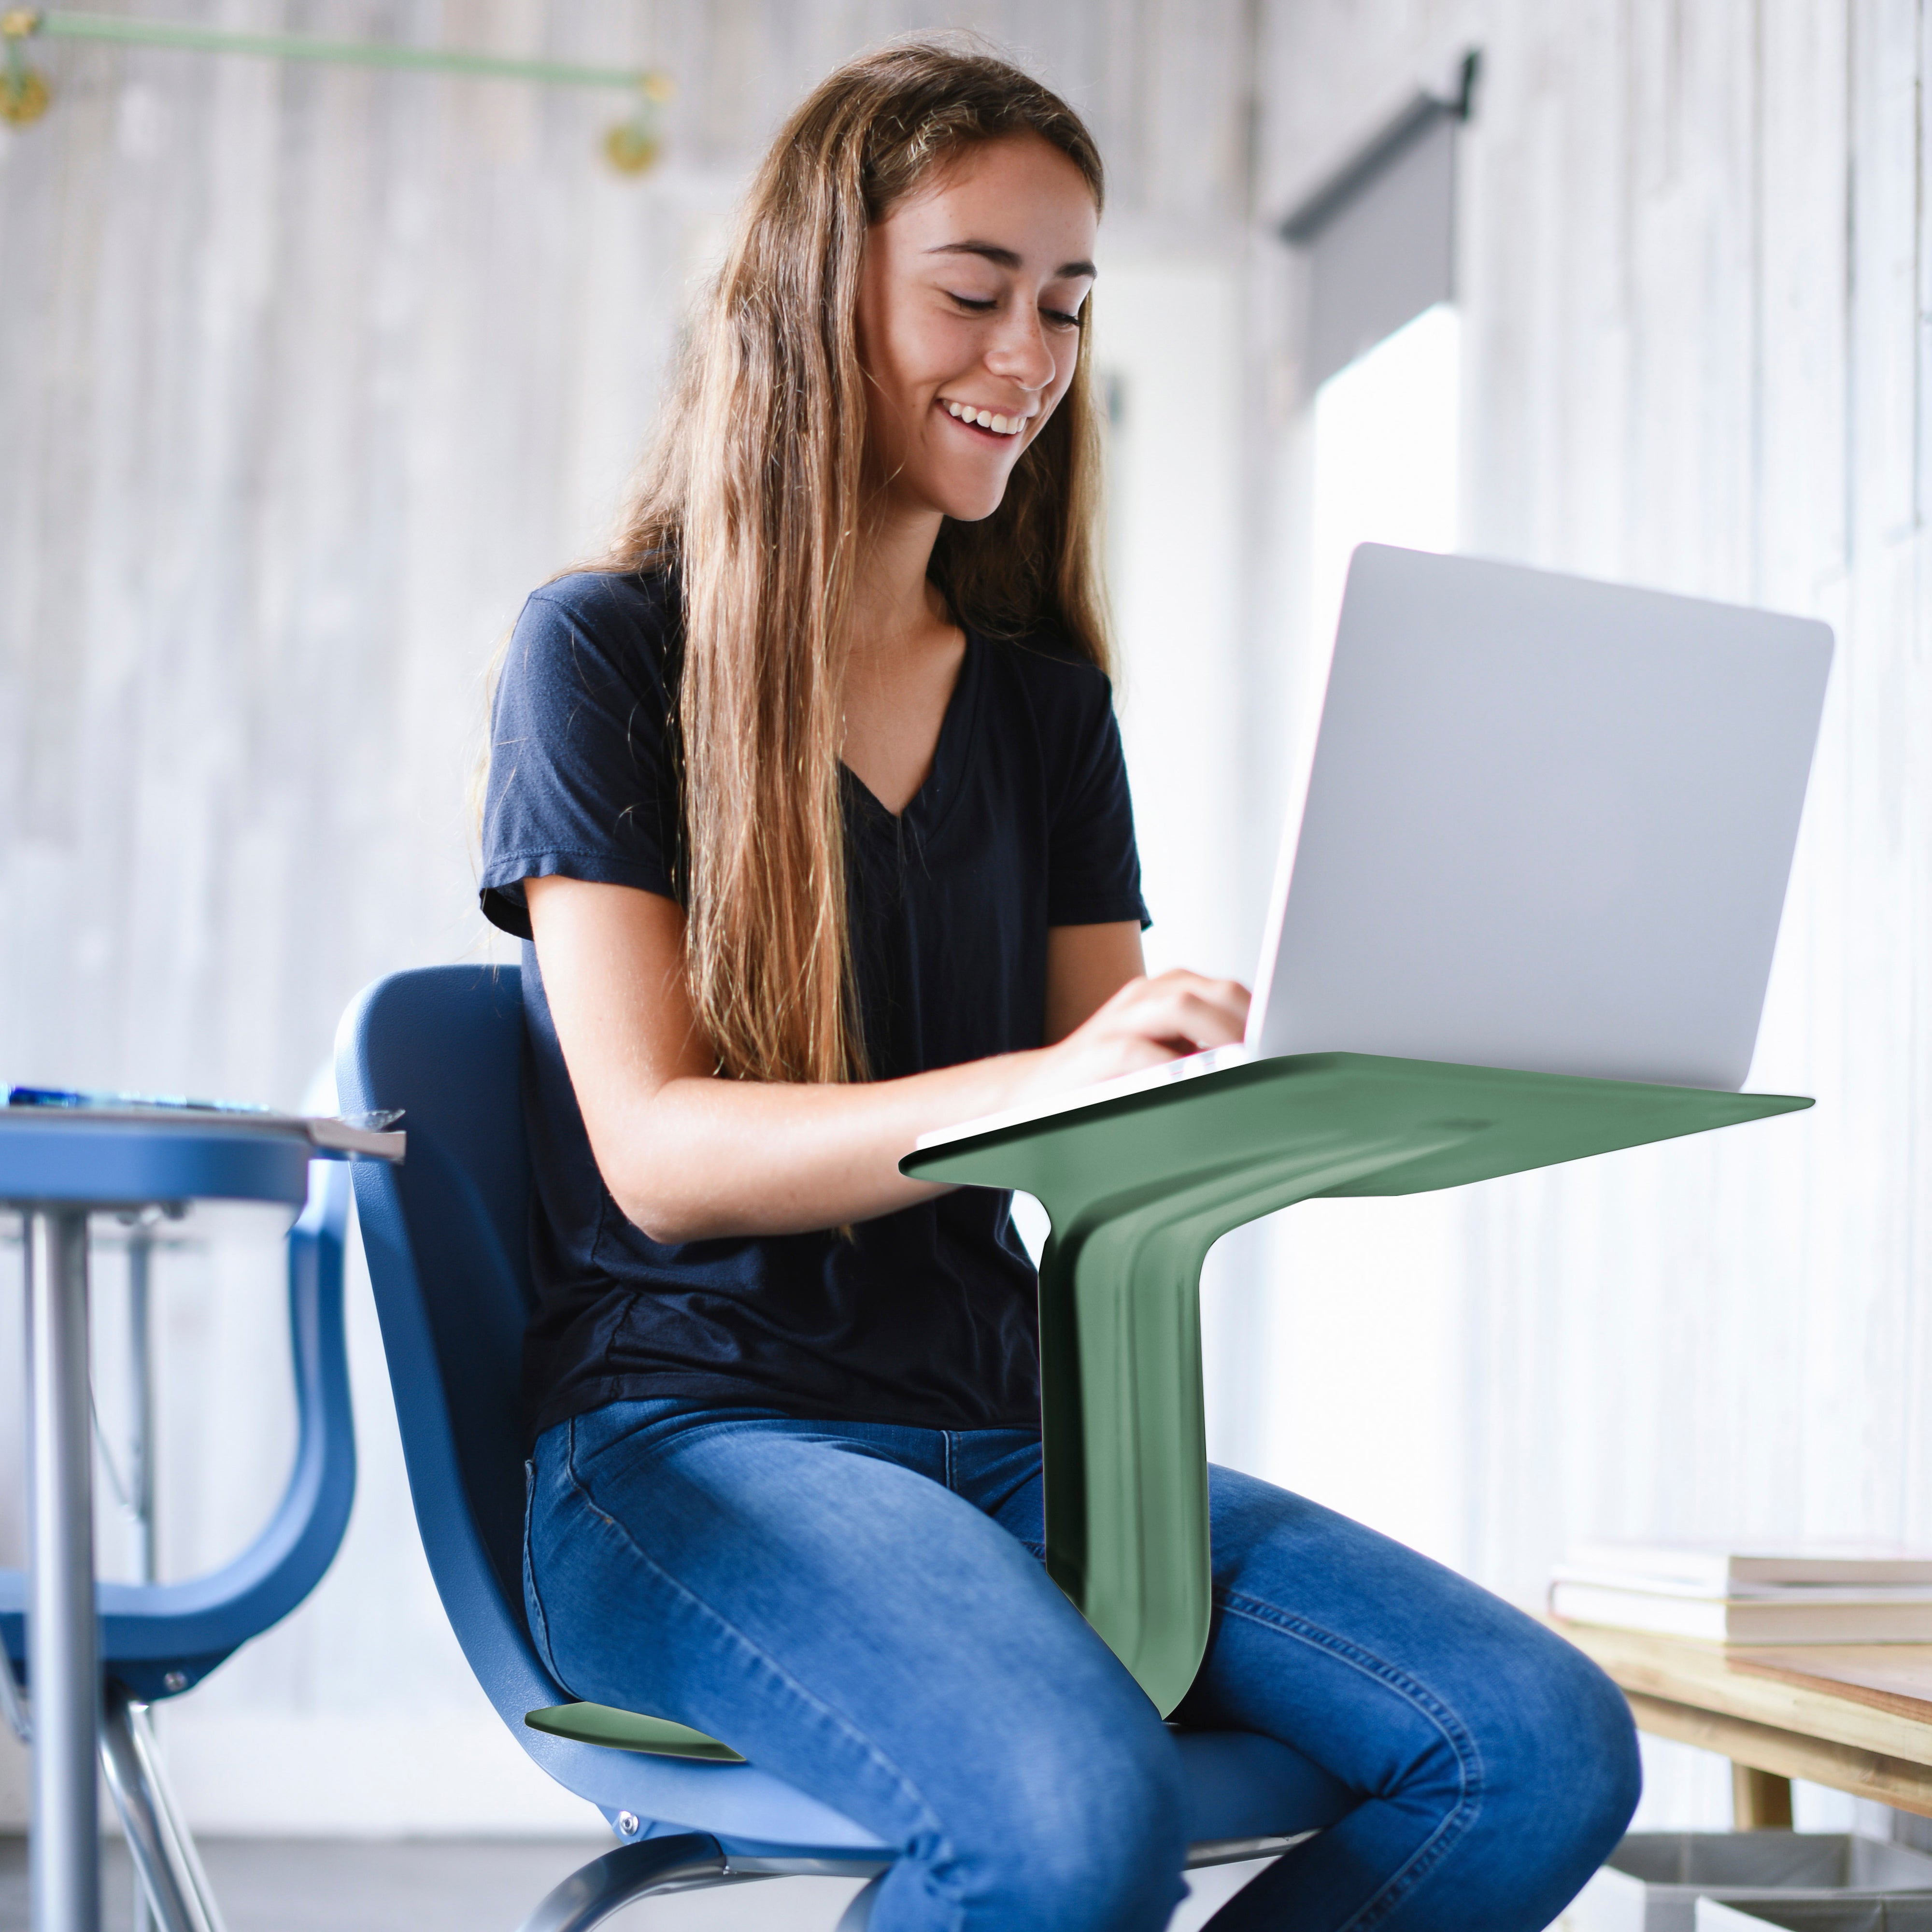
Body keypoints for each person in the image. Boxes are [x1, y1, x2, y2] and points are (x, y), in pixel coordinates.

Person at [479, 38, 1639, 1932]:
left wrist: (1307, 1082)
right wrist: (1042, 1078)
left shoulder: (1040, 705)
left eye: (1067, 308)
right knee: (1069, 1815)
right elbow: (662, 1155)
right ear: (814, 288)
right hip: (694, 1437)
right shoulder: (603, 651)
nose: (1027, 360)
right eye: (972, 292)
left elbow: (1105, 1127)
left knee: (1539, 1743)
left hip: (1019, 1431)